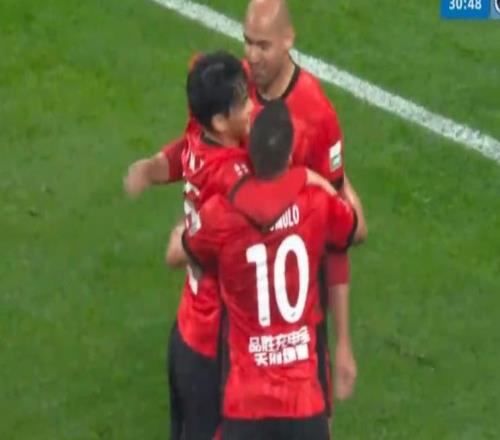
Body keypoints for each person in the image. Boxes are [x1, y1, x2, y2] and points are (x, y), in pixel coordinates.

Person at [166, 100, 366, 440]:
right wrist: (328, 180)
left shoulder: (221, 215)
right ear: (289, 157)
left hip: (246, 401)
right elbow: (357, 229)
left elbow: (177, 253)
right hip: (303, 400)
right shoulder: (316, 204)